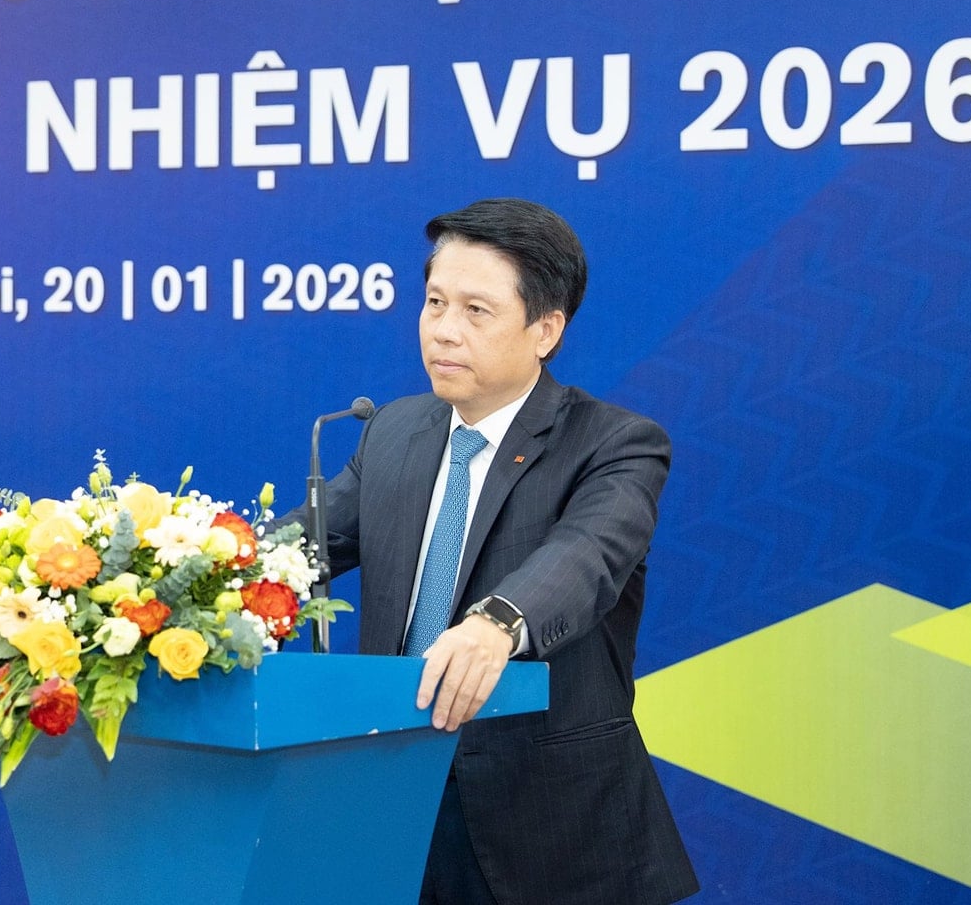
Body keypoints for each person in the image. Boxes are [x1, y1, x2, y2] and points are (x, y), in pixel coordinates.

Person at [288, 198, 698, 905]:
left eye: (476, 311)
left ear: (545, 330)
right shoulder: (392, 432)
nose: (444, 330)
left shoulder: (614, 445)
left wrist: (496, 623)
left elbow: (586, 557)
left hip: (551, 836)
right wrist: (177, 582)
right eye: (435, 303)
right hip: (394, 809)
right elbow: (294, 552)